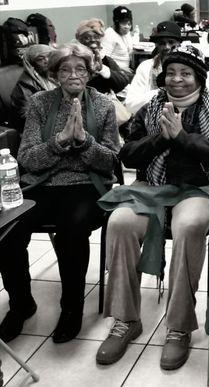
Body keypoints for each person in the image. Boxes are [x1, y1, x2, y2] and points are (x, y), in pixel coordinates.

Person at [95, 45, 209, 370]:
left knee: (188, 227)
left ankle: (178, 327)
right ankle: (125, 319)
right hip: (151, 186)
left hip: (199, 188)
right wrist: (161, 138)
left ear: (199, 77)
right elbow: (128, 154)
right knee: (119, 222)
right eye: (171, 73)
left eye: (186, 73)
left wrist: (183, 138)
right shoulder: (150, 109)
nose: (177, 80)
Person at [0, 42, 120, 344]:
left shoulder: (104, 104)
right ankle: (21, 304)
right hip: (41, 184)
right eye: (65, 69)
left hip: (86, 185)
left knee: (73, 228)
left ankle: (71, 309)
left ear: (90, 72)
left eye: (80, 68)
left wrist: (83, 141)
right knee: (8, 229)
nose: (73, 75)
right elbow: (27, 158)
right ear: (54, 74)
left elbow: (110, 162)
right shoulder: (40, 102)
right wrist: (60, 142)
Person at [124, 21, 209, 116]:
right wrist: (164, 92)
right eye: (162, 43)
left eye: (171, 42)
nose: (167, 47)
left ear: (180, 43)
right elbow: (131, 104)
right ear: (157, 45)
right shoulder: (146, 67)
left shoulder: (194, 64)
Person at [75, 18, 131, 94]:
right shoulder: (73, 60)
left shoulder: (106, 60)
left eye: (96, 37)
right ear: (80, 41)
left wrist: (102, 69)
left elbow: (122, 83)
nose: (92, 40)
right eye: (87, 38)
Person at [10, 44, 58, 132]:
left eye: (49, 56)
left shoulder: (52, 77)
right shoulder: (25, 85)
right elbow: (27, 118)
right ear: (32, 64)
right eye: (40, 59)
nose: (46, 61)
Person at [102, 6, 134, 71]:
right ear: (116, 22)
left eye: (129, 23)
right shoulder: (109, 34)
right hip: (115, 73)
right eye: (123, 23)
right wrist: (121, 69)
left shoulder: (126, 33)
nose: (127, 27)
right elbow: (104, 60)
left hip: (126, 70)